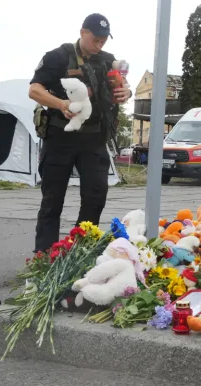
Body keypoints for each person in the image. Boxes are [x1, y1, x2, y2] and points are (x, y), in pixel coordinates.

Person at [29, 13, 132, 253]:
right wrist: (61, 104)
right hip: (60, 136)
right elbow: (34, 90)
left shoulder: (108, 60)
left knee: (96, 198)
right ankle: (45, 257)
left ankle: (80, 252)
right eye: (95, 39)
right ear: (82, 32)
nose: (99, 45)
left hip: (94, 139)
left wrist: (127, 93)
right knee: (52, 201)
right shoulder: (58, 56)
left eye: (104, 40)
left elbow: (122, 86)